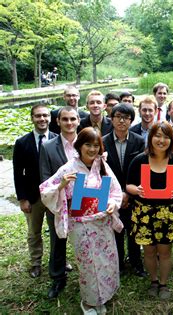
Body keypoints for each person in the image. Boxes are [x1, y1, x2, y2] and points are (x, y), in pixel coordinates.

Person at [40, 127, 123, 314]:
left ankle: (103, 297)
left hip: (102, 223)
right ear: (79, 146)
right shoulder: (68, 168)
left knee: (106, 260)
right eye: (88, 145)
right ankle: (89, 302)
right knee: (88, 264)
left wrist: (112, 204)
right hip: (81, 225)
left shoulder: (101, 165)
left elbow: (115, 191)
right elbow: (45, 191)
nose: (92, 149)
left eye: (96, 145)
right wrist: (61, 185)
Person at [126, 122, 173, 300]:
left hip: (167, 213)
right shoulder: (139, 160)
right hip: (144, 213)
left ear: (171, 140)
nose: (161, 140)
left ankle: (164, 283)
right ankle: (153, 280)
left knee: (165, 252)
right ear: (150, 138)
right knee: (149, 251)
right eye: (158, 136)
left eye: (166, 136)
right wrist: (136, 190)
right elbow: (128, 185)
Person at [39, 106, 80, 298]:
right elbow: (45, 178)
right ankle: (58, 278)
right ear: (58, 121)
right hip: (59, 200)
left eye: (73, 119)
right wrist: (60, 187)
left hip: (84, 198)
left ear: (79, 120)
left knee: (87, 237)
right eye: (65, 119)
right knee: (58, 240)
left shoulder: (89, 141)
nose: (69, 123)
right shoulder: (48, 147)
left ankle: (89, 274)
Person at [13, 104, 57, 278]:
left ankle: (58, 260)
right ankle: (36, 263)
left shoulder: (57, 139)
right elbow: (18, 173)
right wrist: (22, 198)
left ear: (50, 118)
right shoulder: (22, 143)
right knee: (34, 231)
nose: (42, 119)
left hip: (54, 195)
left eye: (45, 115)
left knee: (57, 230)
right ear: (32, 118)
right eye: (38, 116)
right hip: (33, 196)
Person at [102, 103, 146, 277]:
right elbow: (100, 171)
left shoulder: (140, 141)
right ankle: (118, 263)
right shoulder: (102, 142)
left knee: (134, 229)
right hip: (111, 195)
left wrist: (128, 193)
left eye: (126, 118)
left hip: (133, 194)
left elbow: (142, 169)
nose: (122, 121)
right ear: (111, 119)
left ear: (131, 121)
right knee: (116, 230)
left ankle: (136, 263)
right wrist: (117, 193)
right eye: (118, 116)